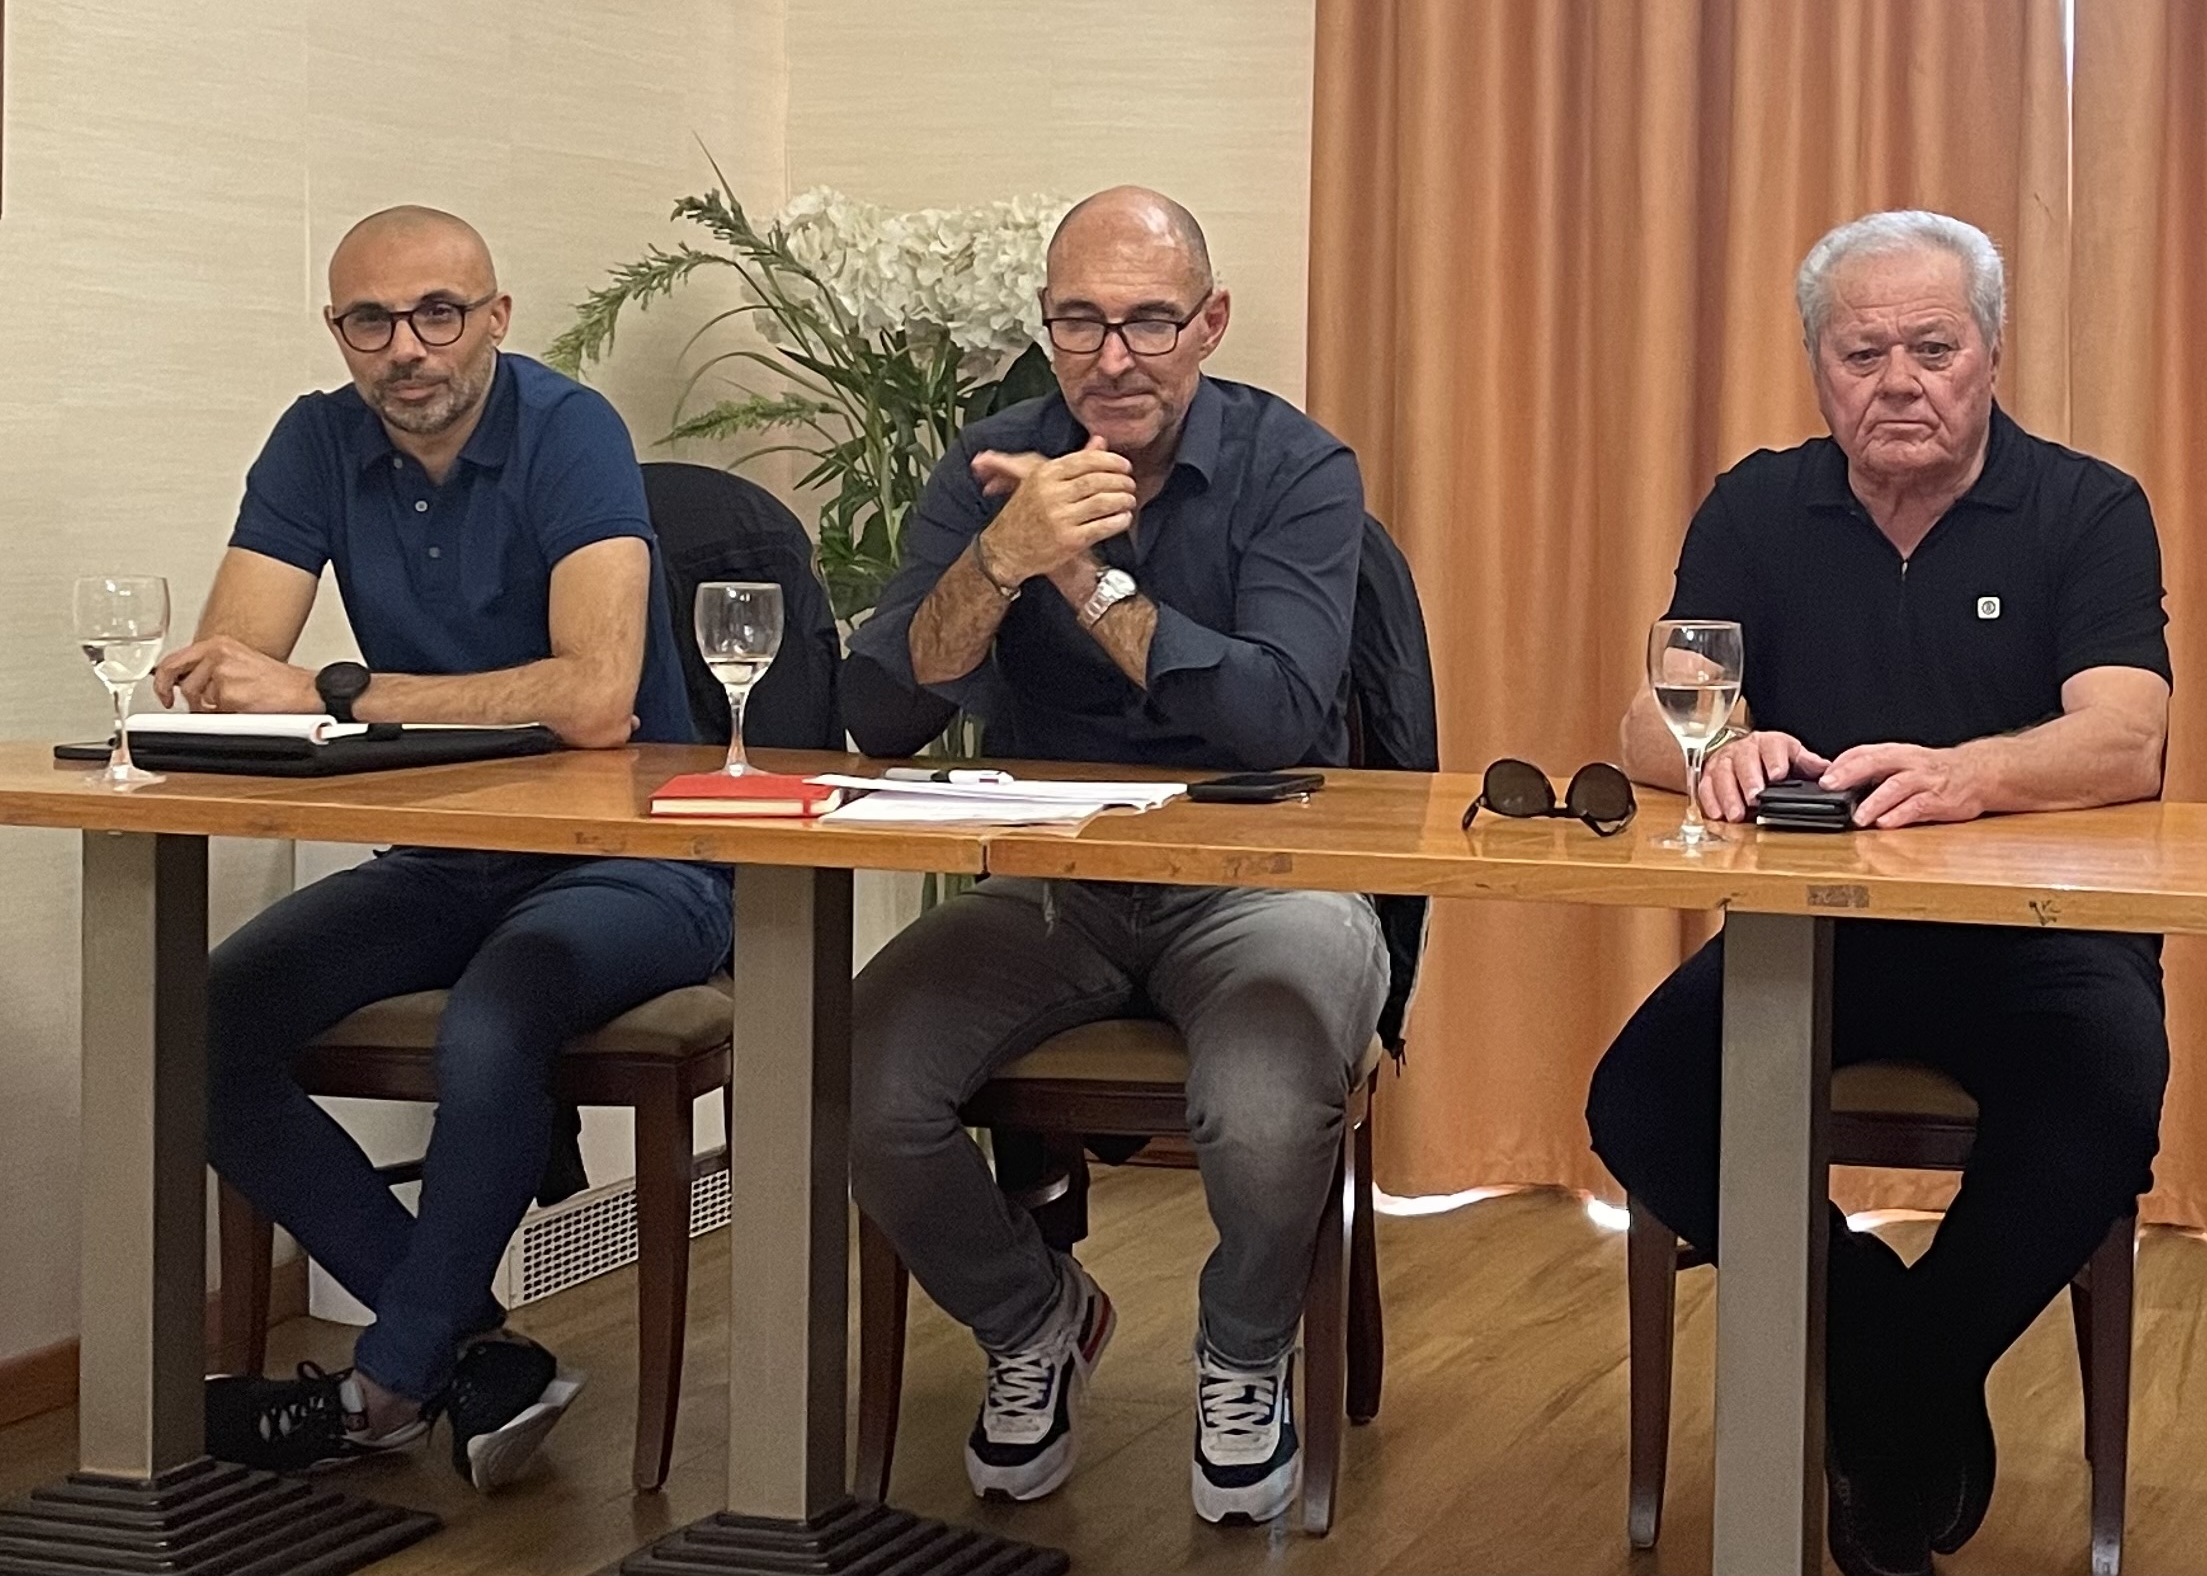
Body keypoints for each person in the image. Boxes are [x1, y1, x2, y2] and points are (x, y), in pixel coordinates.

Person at [1583, 209, 2175, 1576]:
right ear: (1815, 363)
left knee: (2103, 1092)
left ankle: (1890, 1391)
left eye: (1932, 346)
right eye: (1862, 351)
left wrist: (1972, 774)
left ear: (1990, 353)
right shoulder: (1752, 503)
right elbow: (1648, 722)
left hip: (2041, 942)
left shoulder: (2086, 507)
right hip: (1814, 934)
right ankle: (1886, 1347)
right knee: (1640, 1099)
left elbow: (2128, 737)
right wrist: (1717, 749)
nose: (1898, 380)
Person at [845, 187, 1389, 1524]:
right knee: (846, 1072)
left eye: (1149, 320)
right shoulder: (990, 463)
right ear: (1045, 329)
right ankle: (1035, 1317)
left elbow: (1268, 710)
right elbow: (881, 708)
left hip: (1267, 871)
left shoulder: (1296, 466)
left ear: (1208, 323)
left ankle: (1242, 1353)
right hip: (1051, 883)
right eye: (1080, 321)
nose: (1114, 356)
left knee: (1263, 1104)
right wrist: (997, 556)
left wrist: (1080, 578)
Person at [180, 205, 730, 1490]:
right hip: (444, 857)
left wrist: (337, 689)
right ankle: (473, 1351)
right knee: (193, 1024)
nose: (406, 348)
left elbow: (596, 701)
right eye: (370, 321)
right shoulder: (317, 437)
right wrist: (255, 682)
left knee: (496, 1015)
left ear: (494, 318)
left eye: (438, 313)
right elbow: (228, 666)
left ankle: (381, 1388)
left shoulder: (568, 428)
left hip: (634, 859)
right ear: (339, 333)